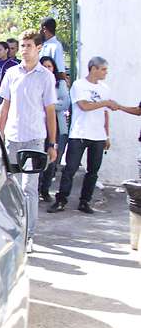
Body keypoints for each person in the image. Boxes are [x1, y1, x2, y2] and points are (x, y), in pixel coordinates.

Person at [0, 29, 58, 252]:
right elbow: (5, 107)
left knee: (29, 189)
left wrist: (52, 143)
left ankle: (28, 235)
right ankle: (12, 230)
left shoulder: (46, 77)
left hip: (34, 139)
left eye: (28, 46)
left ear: (38, 47)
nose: (24, 50)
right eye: (22, 45)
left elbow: (50, 111)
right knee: (10, 187)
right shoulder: (12, 73)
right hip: (12, 139)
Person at [48, 57, 118, 214]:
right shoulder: (79, 85)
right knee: (70, 169)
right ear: (94, 69)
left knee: (93, 171)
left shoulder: (105, 88)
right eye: (103, 69)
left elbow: (105, 115)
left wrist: (106, 135)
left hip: (98, 136)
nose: (106, 72)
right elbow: (84, 105)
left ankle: (85, 201)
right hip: (79, 133)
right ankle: (61, 200)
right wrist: (105, 103)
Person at [38, 56, 72, 202]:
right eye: (44, 66)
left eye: (49, 66)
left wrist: (47, 106)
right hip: (39, 125)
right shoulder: (36, 82)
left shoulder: (60, 84)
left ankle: (45, 190)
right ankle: (36, 189)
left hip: (56, 127)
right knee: (38, 159)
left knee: (52, 160)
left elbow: (65, 103)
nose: (47, 69)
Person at [39, 17, 68, 86]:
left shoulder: (55, 46)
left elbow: (60, 71)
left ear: (44, 29)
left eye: (40, 28)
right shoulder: (44, 45)